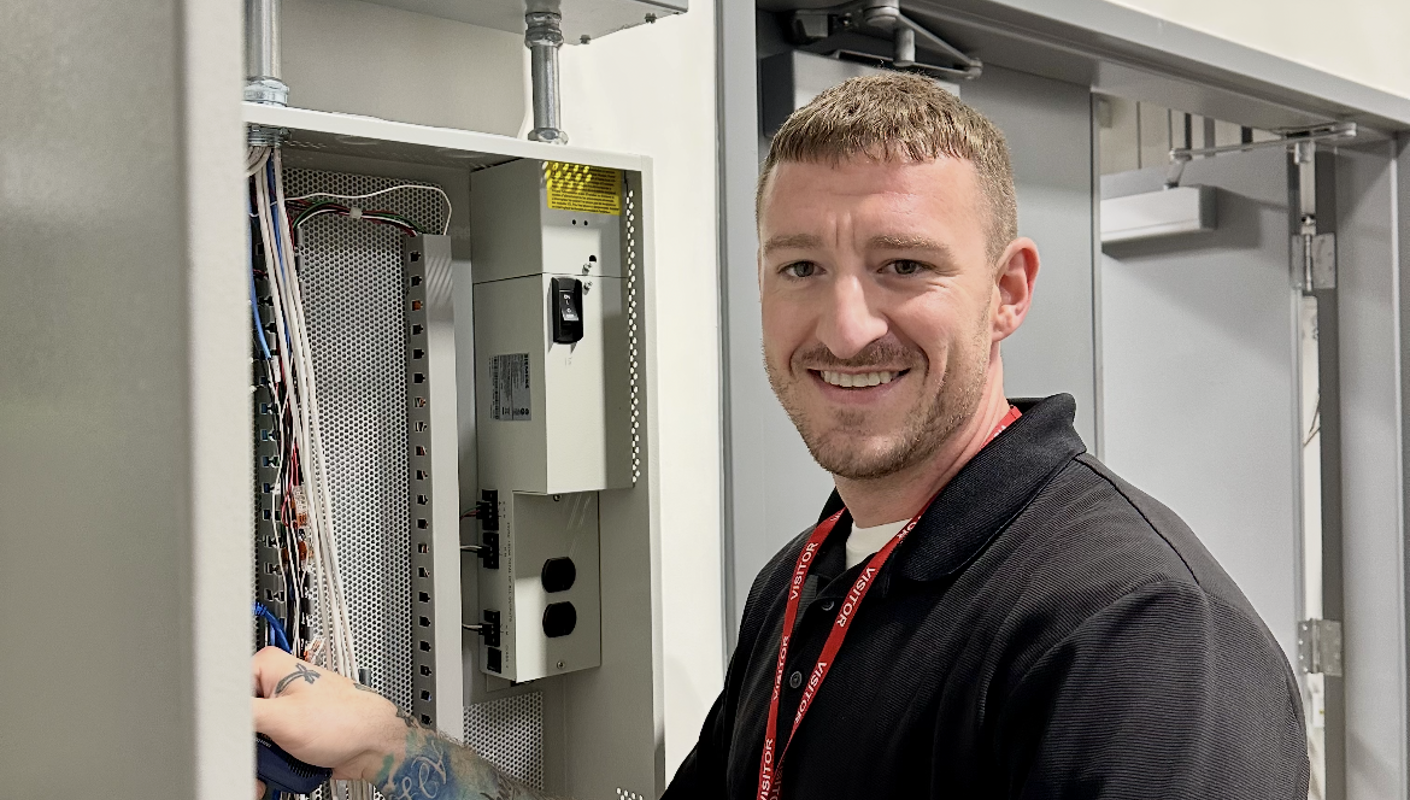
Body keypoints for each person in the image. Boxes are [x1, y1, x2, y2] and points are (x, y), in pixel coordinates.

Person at [253, 73, 1309, 799]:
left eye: (904, 265)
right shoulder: (809, 577)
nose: (845, 327)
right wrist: (389, 748)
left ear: (1008, 291)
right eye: (801, 267)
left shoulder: (1139, 631)